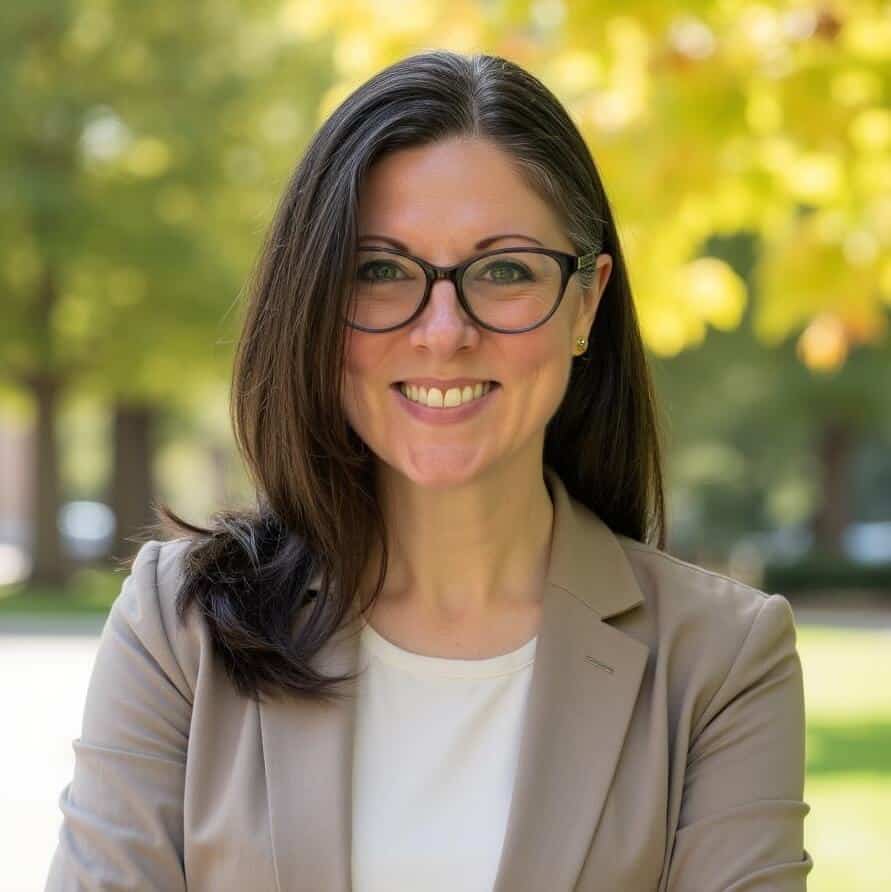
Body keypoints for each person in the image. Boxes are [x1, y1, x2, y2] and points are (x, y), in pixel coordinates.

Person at [45, 50, 813, 891]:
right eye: (379, 270)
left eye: (505, 269)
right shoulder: (179, 627)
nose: (443, 332)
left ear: (586, 302)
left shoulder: (719, 658)